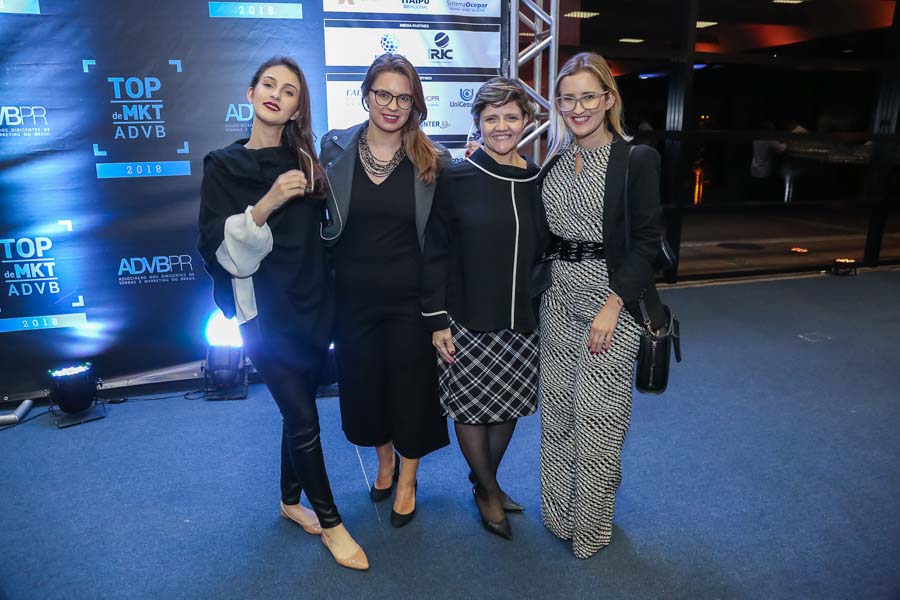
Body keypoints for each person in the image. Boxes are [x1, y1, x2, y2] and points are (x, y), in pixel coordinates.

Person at [198, 57, 368, 571]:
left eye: (289, 90)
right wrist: (267, 202)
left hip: (313, 305)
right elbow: (220, 250)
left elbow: (327, 237)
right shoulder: (222, 165)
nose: (276, 94)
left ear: (297, 108)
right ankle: (332, 524)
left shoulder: (311, 162)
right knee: (303, 417)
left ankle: (290, 501)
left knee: (299, 409)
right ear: (250, 94)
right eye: (268, 85)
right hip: (263, 314)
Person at [538, 52, 667, 559]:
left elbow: (647, 241)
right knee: (557, 413)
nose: (577, 108)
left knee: (597, 417)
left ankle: (591, 527)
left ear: (609, 99)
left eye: (588, 97)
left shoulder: (636, 159)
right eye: (567, 99)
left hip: (610, 300)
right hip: (557, 297)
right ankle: (559, 514)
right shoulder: (554, 159)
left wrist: (615, 303)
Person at [319, 53, 451, 528]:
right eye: (384, 94)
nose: (392, 106)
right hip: (352, 300)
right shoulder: (334, 150)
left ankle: (409, 480)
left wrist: (439, 311)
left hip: (411, 303)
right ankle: (385, 461)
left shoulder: (433, 160)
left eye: (403, 97)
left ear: (415, 103)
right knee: (365, 388)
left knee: (413, 393)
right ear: (366, 95)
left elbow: (442, 241)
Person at [421, 78, 545, 540]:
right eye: (491, 118)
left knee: (508, 404)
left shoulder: (538, 179)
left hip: (522, 317)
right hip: (466, 315)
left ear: (527, 121)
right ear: (477, 123)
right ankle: (489, 491)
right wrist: (437, 318)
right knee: (472, 408)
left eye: (511, 117)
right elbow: (435, 251)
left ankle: (484, 482)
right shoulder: (457, 177)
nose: (502, 126)